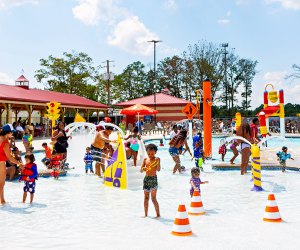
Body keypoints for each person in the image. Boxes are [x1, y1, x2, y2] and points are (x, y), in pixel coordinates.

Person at [0, 124, 20, 204]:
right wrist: (19, 164)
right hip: (1, 164)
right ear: (8, 132)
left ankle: (2, 200)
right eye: (11, 133)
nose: (12, 134)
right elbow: (10, 158)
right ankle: (2, 201)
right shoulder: (5, 142)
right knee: (1, 183)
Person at [140, 144, 161, 218]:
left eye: (152, 153)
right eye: (149, 153)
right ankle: (146, 215)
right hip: (146, 179)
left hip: (153, 179)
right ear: (146, 152)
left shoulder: (156, 159)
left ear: (155, 152)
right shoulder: (145, 160)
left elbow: (158, 169)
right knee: (146, 198)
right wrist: (143, 169)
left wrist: (158, 162)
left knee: (153, 198)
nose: (150, 155)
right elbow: (141, 170)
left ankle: (158, 215)